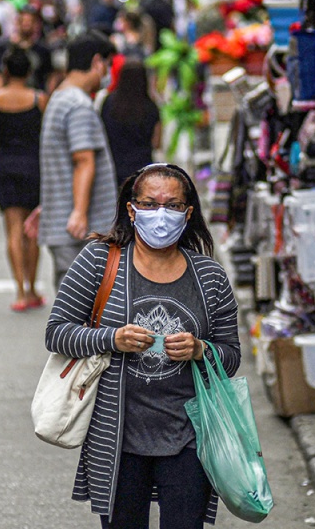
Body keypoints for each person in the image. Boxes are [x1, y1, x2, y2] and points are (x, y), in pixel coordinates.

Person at [45, 163, 241, 529]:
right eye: (150, 204)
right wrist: (112, 338)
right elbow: (56, 332)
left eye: (172, 205)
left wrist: (200, 350)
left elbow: (230, 357)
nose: (160, 214)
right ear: (132, 210)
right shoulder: (100, 260)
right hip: (117, 434)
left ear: (188, 213)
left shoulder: (210, 276)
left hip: (189, 434)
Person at [34, 31, 118, 289]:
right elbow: (83, 161)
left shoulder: (60, 97)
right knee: (80, 309)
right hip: (79, 229)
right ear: (96, 62)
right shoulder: (78, 105)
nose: (107, 73)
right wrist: (80, 212)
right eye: (107, 65)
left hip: (62, 219)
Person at [0, 45, 46, 312]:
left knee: (13, 229)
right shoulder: (39, 99)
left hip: (6, 165)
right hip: (35, 167)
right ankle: (32, 288)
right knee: (33, 231)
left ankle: (19, 291)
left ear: (5, 71)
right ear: (30, 71)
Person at [100, 59, 163, 187]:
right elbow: (156, 143)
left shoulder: (109, 103)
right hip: (142, 170)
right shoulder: (151, 107)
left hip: (113, 168)